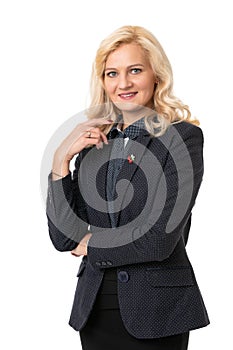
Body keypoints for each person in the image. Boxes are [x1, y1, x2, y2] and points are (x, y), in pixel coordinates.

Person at [46, 25, 210, 350]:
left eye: (135, 70)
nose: (123, 83)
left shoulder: (182, 140)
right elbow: (64, 238)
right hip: (95, 310)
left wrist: (92, 246)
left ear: (155, 75)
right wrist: (60, 161)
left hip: (157, 312)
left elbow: (158, 242)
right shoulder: (95, 146)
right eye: (112, 73)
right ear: (103, 82)